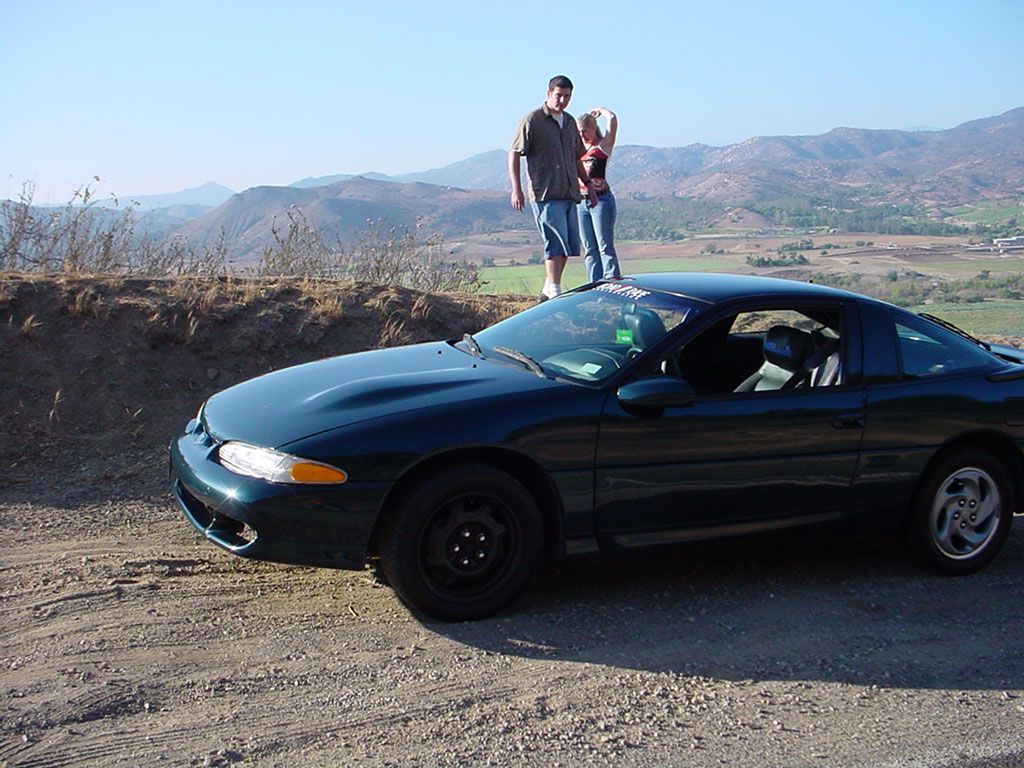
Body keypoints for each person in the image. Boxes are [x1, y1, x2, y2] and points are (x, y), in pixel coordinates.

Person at [509, 75, 598, 301]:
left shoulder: (569, 122)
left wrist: (588, 185)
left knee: (568, 247)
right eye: (559, 95)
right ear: (549, 94)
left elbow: (577, 158)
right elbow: (515, 153)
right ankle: (556, 293)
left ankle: (547, 291)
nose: (563, 100)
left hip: (569, 192)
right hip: (546, 193)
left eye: (567, 96)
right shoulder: (533, 120)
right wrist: (516, 189)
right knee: (554, 244)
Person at [576, 107, 621, 283]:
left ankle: (612, 280)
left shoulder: (603, 146)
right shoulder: (579, 150)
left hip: (601, 200)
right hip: (581, 202)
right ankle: (593, 284)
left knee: (605, 246)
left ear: (593, 128)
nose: (582, 135)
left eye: (585, 131)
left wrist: (601, 111)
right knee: (589, 248)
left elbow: (613, 120)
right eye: (579, 132)